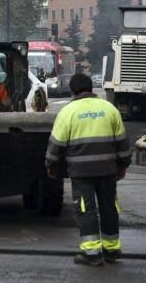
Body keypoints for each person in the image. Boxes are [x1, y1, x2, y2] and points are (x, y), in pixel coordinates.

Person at [45, 73, 130, 266]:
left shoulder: (68, 112)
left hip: (81, 173)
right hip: (107, 171)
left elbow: (55, 145)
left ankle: (91, 253)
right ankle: (112, 249)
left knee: (86, 210)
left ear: (72, 90)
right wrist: (123, 165)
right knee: (109, 208)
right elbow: (122, 143)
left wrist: (51, 166)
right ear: (91, 88)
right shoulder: (109, 109)